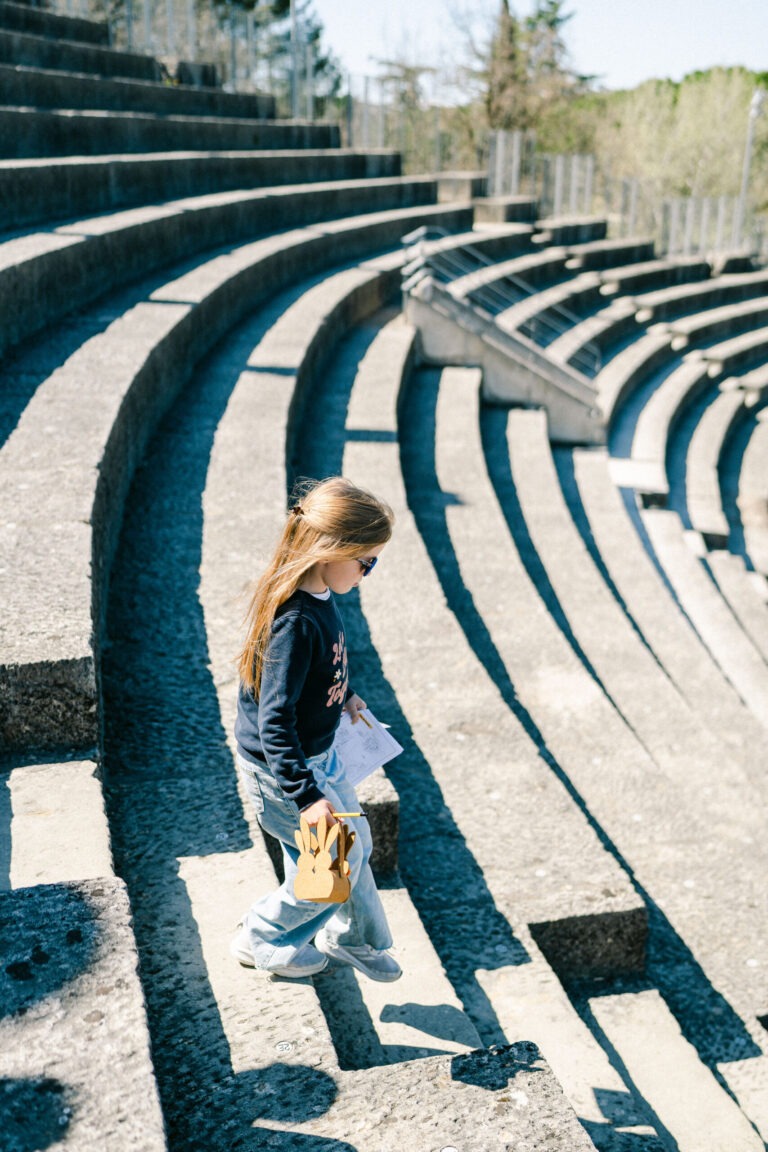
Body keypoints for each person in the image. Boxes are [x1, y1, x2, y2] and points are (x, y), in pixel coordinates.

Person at [231, 476, 401, 982]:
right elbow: (274, 719)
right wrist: (305, 798)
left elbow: (313, 676)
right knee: (337, 862)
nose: (368, 571)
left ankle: (351, 938)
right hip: (287, 771)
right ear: (332, 550)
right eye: (365, 560)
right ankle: (261, 935)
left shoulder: (323, 593)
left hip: (320, 754)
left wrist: (341, 695)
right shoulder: (294, 622)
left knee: (353, 847)